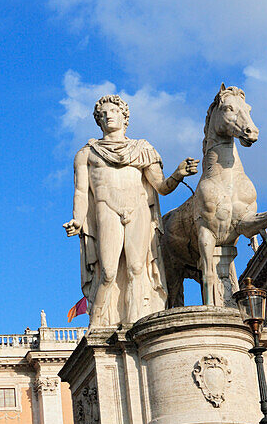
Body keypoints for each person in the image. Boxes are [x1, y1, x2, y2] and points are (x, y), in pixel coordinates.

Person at [63, 94, 198, 326]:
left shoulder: (143, 149)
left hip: (138, 209)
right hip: (106, 209)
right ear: (98, 121)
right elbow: (81, 192)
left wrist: (178, 174)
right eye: (102, 114)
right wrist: (77, 219)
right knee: (107, 272)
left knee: (137, 268)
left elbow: (161, 187)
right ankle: (97, 325)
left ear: (124, 117)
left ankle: (138, 324)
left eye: (112, 111)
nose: (107, 116)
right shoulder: (86, 154)